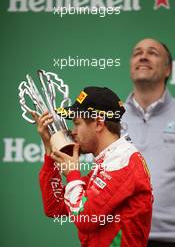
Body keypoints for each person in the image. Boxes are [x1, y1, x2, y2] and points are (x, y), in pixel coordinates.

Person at [32, 86, 153, 247]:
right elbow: (55, 207)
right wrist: (50, 149)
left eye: (77, 123)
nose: (72, 132)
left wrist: (73, 174)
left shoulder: (122, 161)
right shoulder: (108, 162)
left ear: (98, 123)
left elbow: (86, 219)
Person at [122, 38, 175, 247]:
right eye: (137, 53)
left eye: (153, 52)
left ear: (168, 69)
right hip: (121, 238)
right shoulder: (110, 119)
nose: (143, 56)